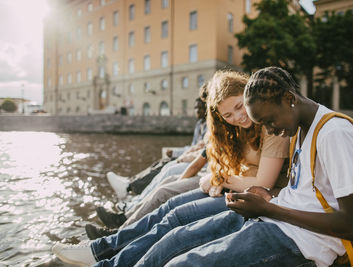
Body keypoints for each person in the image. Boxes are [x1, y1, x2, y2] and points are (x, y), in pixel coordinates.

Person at [133, 66, 353, 267]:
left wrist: (271, 210)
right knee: (177, 237)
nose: (269, 130)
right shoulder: (302, 129)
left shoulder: (333, 135)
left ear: (289, 99)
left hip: (303, 242)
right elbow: (310, 195)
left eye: (269, 121)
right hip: (275, 219)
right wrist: (267, 196)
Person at [52, 70, 289, 267]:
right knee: (168, 208)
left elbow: (263, 183)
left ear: (248, 96)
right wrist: (219, 178)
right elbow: (221, 163)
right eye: (228, 114)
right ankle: (102, 248)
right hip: (232, 189)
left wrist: (221, 178)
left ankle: (106, 256)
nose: (238, 116)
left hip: (250, 195)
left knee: (175, 220)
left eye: (239, 107)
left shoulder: (269, 126)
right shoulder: (237, 129)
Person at [93, 96, 207, 229]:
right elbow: (197, 147)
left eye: (200, 107)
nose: (197, 110)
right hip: (198, 162)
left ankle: (128, 207)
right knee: (163, 167)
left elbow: (202, 151)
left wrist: (179, 155)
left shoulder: (211, 125)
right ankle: (131, 198)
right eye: (195, 107)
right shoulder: (200, 124)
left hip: (202, 167)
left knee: (168, 172)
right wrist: (178, 154)